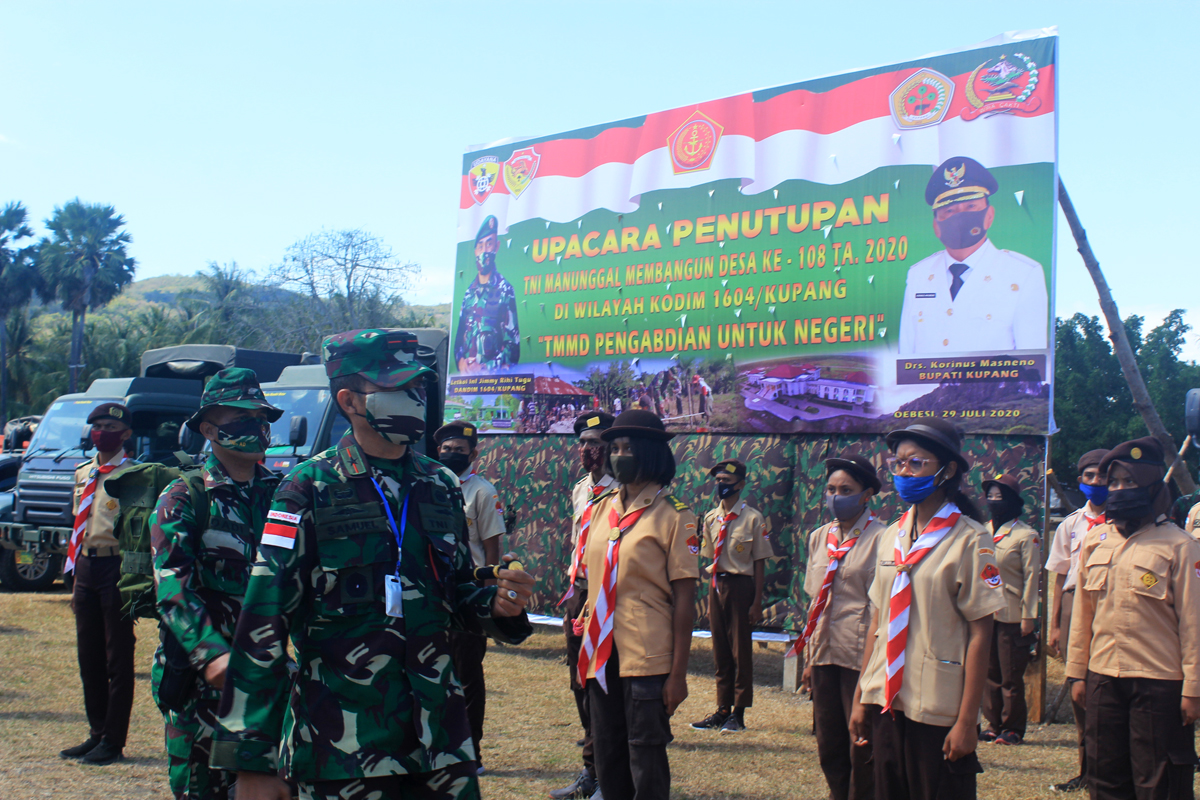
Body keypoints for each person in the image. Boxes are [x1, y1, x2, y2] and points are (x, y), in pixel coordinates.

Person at [212, 328, 534, 800]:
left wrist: (498, 604)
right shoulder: (306, 488)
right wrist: (251, 761)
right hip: (343, 749)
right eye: (395, 388)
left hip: (440, 747)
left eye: (417, 387)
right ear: (349, 400)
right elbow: (264, 618)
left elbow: (456, 591)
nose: (413, 398)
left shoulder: (441, 485)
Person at [849, 419, 1006, 800]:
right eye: (898, 463)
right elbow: (878, 622)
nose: (904, 472)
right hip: (886, 699)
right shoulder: (891, 537)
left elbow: (981, 633)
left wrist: (968, 721)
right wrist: (859, 698)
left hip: (937, 705)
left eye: (916, 463)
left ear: (947, 470)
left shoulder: (971, 538)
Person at [151, 368, 283, 799]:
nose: (257, 431)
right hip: (205, 683)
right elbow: (173, 589)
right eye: (242, 421)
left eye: (262, 420)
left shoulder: (285, 496)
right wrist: (211, 657)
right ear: (209, 429)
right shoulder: (184, 497)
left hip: (270, 678)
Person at [1066, 437, 1200, 799]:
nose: (1121, 490)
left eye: (1131, 482)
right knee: (1105, 775)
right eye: (1114, 482)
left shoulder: (1180, 546)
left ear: (1154, 485)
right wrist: (1077, 672)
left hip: (1159, 682)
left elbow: (1193, 623)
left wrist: (1193, 688)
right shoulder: (1097, 541)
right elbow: (1083, 612)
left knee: (1159, 780)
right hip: (1103, 678)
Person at [575, 409, 698, 800]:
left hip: (646, 659)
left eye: (629, 447)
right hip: (601, 655)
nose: (618, 455)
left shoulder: (674, 518)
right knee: (608, 756)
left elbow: (684, 602)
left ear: (650, 453)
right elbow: (593, 579)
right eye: (615, 447)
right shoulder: (599, 510)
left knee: (645, 761)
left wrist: (677, 675)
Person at [795, 454, 885, 800]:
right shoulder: (820, 538)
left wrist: (871, 672)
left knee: (861, 744)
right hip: (824, 654)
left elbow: (882, 611)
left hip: (858, 658)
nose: (836, 496)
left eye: (846, 489)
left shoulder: (882, 539)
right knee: (828, 743)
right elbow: (814, 601)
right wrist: (808, 661)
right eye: (831, 488)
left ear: (866, 495)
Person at [898, 156, 1048, 355]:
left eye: (970, 207)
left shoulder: (1023, 274)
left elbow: (1032, 367)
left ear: (989, 215)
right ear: (936, 226)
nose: (959, 217)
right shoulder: (919, 275)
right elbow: (906, 359)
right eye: (950, 210)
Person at [59, 402, 137, 766]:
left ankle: (113, 740)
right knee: (87, 654)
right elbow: (77, 520)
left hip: (116, 568)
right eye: (97, 425)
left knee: (117, 657)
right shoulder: (84, 472)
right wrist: (71, 568)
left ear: (125, 434)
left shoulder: (134, 475)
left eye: (108, 426)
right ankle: (95, 732)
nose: (100, 432)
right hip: (85, 567)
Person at [434, 420, 506, 774]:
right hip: (432, 595)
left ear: (473, 455)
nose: (452, 456)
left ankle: (471, 751)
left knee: (467, 676)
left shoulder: (481, 492)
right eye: (446, 451)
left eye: (459, 452)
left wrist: (486, 598)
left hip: (468, 594)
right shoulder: (428, 486)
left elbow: (492, 550)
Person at [552, 411, 617, 800]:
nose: (587, 450)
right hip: (577, 591)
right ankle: (591, 770)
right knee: (578, 680)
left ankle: (604, 775)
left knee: (600, 683)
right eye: (582, 443)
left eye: (595, 443)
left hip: (604, 596)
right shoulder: (580, 490)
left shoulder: (621, 491)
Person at [690, 459, 772, 734]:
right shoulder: (712, 518)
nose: (721, 486)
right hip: (718, 585)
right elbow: (709, 556)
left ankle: (739, 712)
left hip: (741, 587)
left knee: (740, 651)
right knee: (721, 650)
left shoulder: (752, 518)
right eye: (718, 481)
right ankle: (722, 708)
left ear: (740, 484)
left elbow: (759, 562)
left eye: (727, 481)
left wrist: (757, 601)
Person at [1044, 449, 1109, 793]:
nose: (1096, 482)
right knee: (1079, 687)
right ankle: (1087, 769)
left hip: (1109, 603)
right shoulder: (1070, 524)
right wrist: (1055, 624)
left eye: (1103, 476)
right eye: (1089, 476)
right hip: (1073, 604)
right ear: (1081, 480)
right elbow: (1058, 576)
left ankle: (1111, 769)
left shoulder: (1121, 520)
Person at [978, 474, 1041, 747]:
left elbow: (1032, 577)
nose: (993, 501)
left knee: (1010, 673)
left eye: (999, 496)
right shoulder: (980, 531)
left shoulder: (1026, 535)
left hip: (1011, 613)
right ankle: (993, 724)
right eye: (990, 496)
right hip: (983, 612)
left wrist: (1029, 616)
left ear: (1012, 501)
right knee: (988, 671)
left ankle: (1012, 728)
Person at [454, 215, 520, 374]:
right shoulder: (468, 293)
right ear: (475, 250)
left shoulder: (505, 290)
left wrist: (485, 367)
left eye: (489, 244)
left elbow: (514, 348)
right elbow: (458, 341)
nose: (484, 252)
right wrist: (461, 361)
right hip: (466, 385)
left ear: (496, 247)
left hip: (491, 384)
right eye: (480, 246)